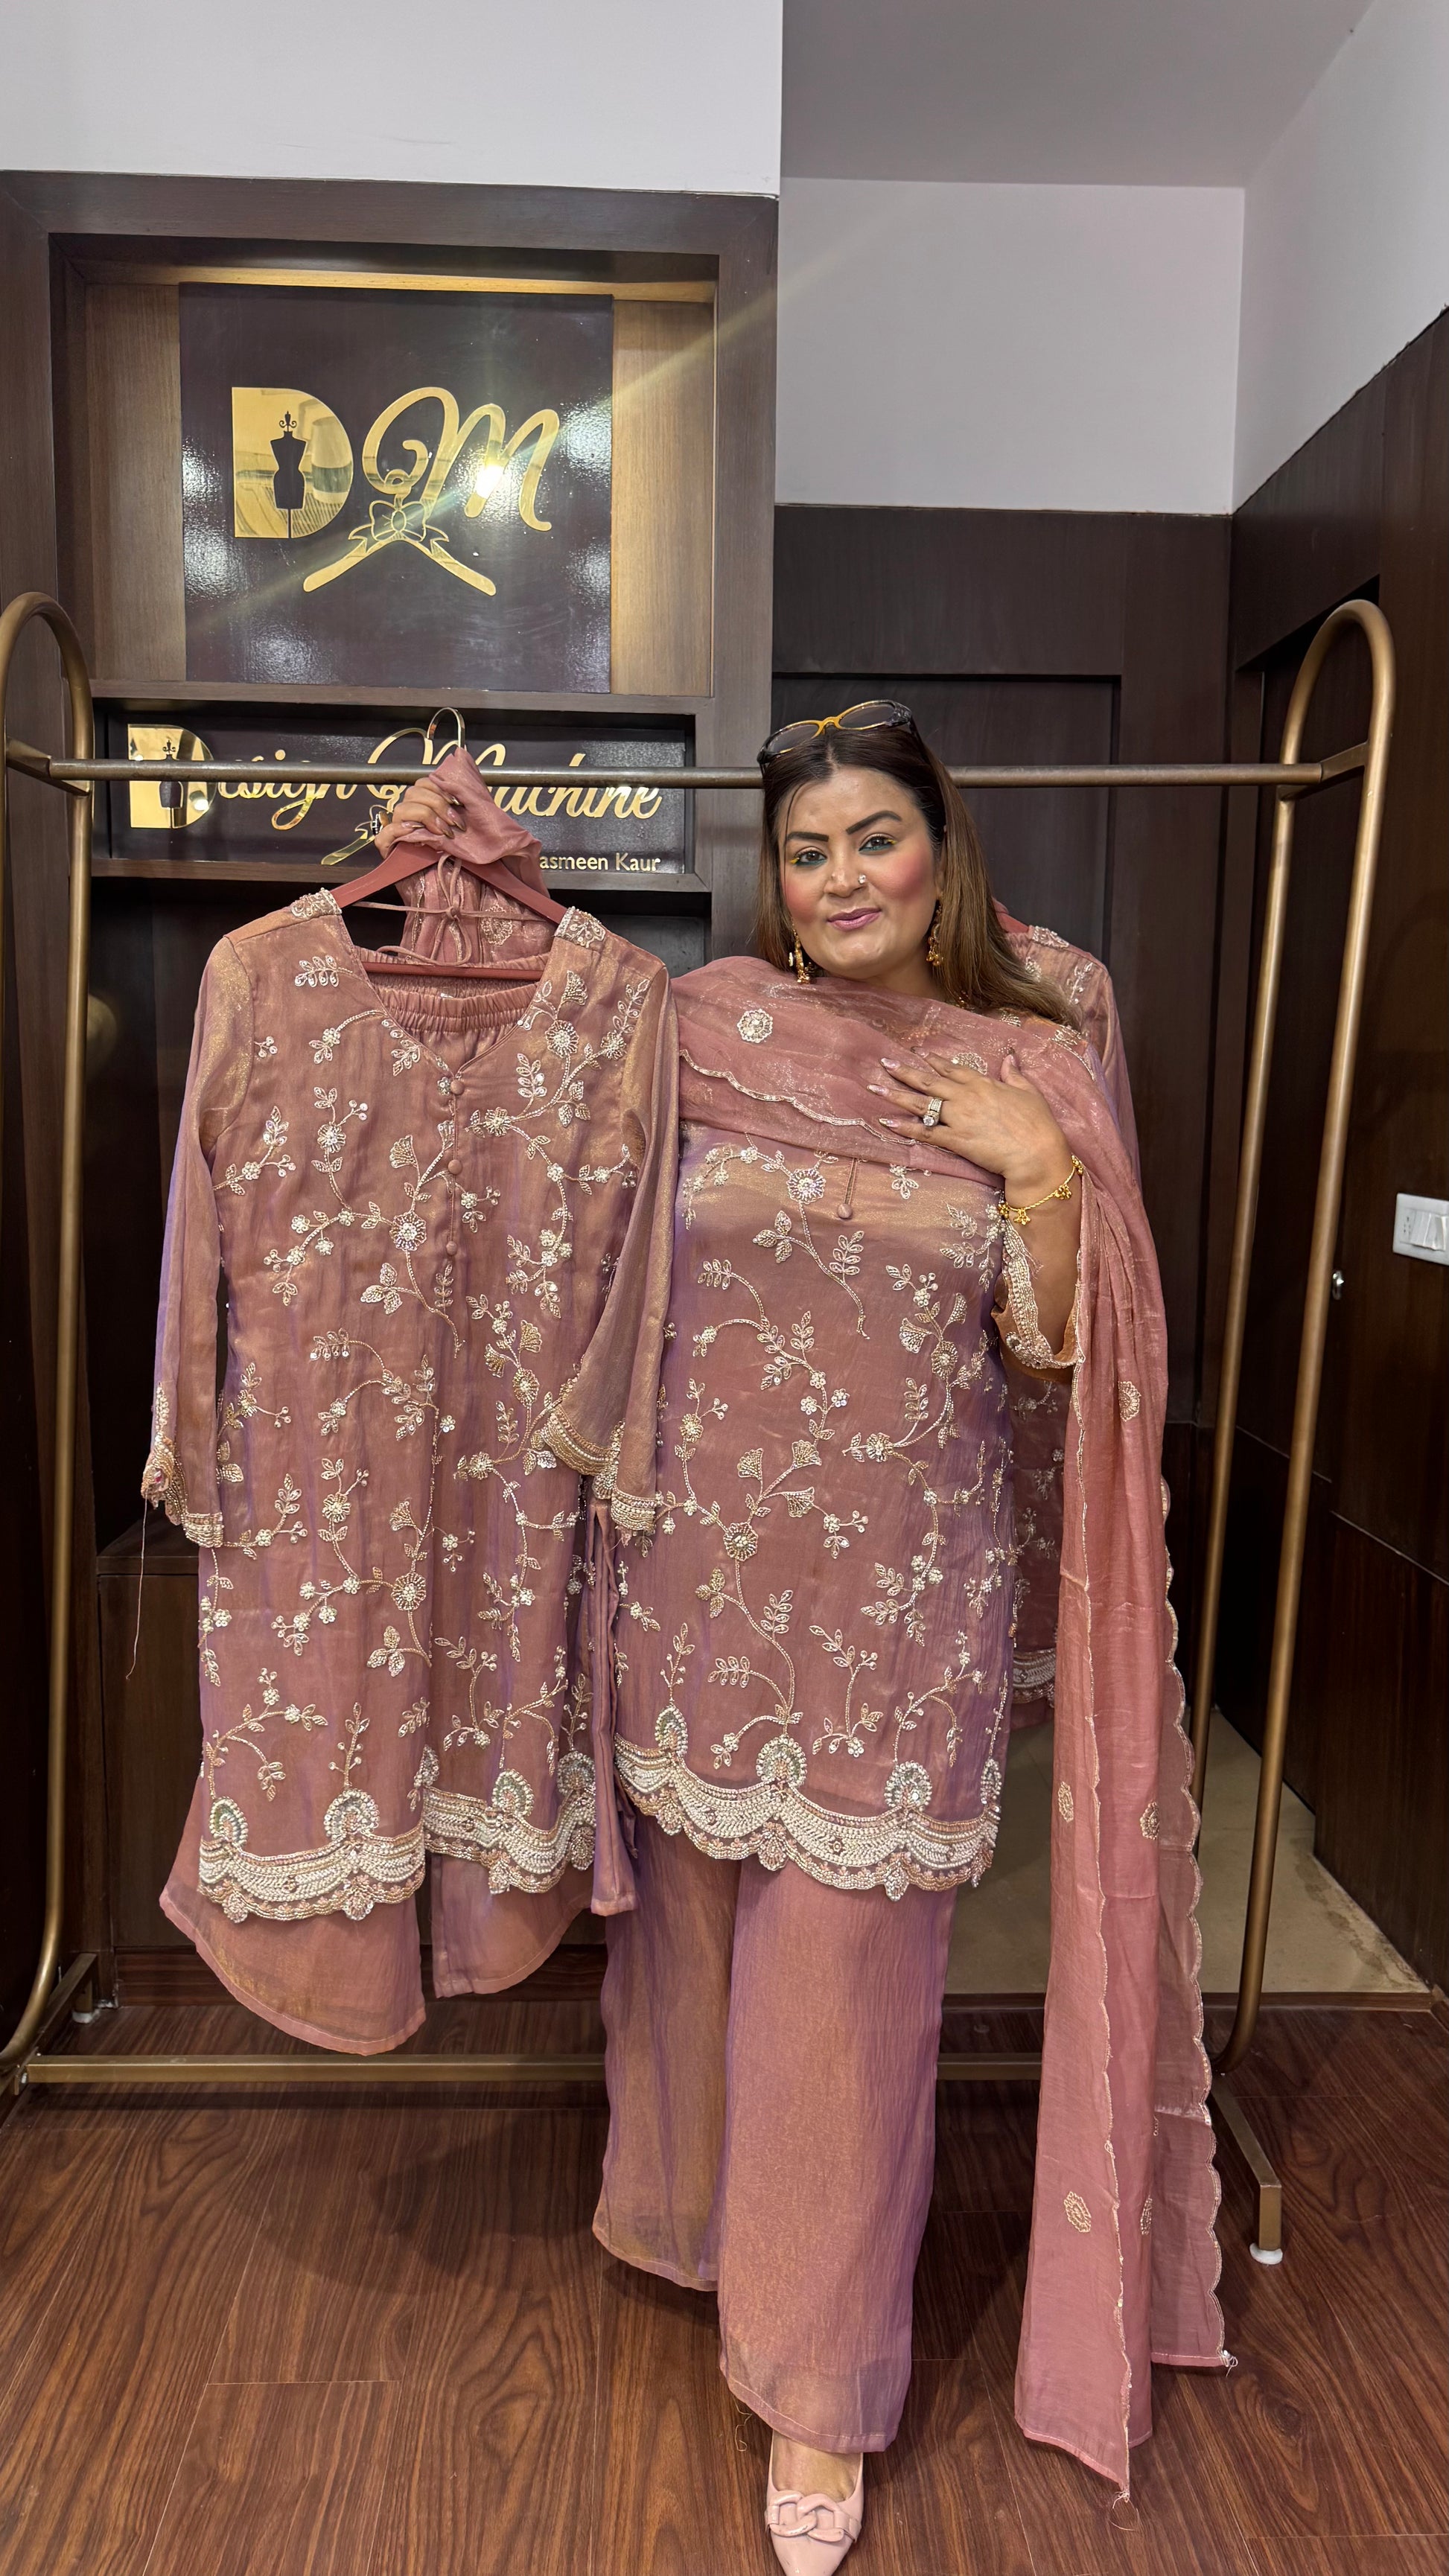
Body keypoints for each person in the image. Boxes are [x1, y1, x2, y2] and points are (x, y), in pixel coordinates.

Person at [378, 706, 1224, 2571]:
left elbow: (1060, 1358)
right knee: (684, 1952)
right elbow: (536, 1149)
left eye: (873, 838)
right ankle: (696, 2235)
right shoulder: (699, 1028)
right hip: (691, 1579)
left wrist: (1038, 1169)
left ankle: (818, 2389)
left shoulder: (1032, 1051)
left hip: (897, 1608)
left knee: (845, 2002)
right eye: (807, 848)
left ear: (943, 848)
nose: (841, 878)